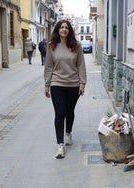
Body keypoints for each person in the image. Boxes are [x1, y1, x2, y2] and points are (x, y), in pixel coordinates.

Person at [44, 20, 87, 159]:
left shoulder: (76, 45)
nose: (64, 29)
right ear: (57, 30)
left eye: (66, 28)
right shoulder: (52, 46)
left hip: (73, 84)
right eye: (61, 27)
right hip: (57, 83)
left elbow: (80, 65)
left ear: (69, 30)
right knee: (59, 112)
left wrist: (82, 83)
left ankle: (68, 132)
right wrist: (47, 85)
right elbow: (49, 66)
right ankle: (60, 145)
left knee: (69, 111)